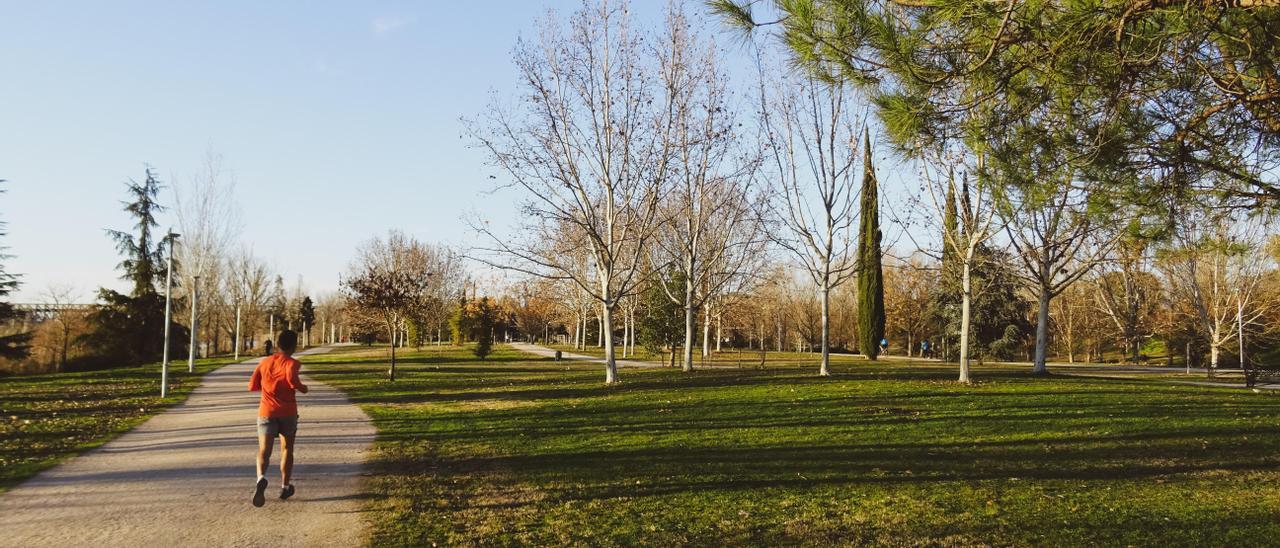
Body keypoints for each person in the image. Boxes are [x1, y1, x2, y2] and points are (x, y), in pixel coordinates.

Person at [248, 329, 308, 507]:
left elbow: (252, 385)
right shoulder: (292, 363)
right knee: (287, 448)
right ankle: (285, 486)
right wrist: (303, 388)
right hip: (288, 412)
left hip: (267, 411)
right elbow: (292, 380)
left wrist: (268, 387)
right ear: (294, 345)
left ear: (277, 344)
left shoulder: (265, 362)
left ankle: (261, 478)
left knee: (264, 451)